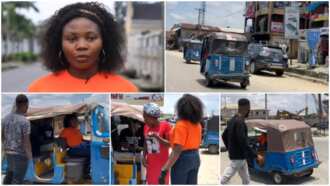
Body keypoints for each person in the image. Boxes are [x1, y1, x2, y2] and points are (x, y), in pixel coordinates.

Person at [28, 2, 138, 92]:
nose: (81, 46)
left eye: (91, 38)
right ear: (59, 44)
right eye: (72, 39)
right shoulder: (38, 89)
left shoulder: (126, 89)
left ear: (105, 42)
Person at [159, 94, 203, 185]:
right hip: (195, 157)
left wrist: (164, 169)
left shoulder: (181, 125)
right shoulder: (197, 125)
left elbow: (177, 150)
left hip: (182, 159)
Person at [220, 98, 262, 185]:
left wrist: (230, 148)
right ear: (245, 108)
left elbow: (224, 135)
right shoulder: (240, 122)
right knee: (224, 180)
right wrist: (256, 155)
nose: (249, 111)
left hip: (241, 157)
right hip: (238, 158)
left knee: (246, 180)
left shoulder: (232, 120)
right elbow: (243, 142)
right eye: (249, 109)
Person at [2, 94, 33, 184]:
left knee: (9, 175)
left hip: (8, 153)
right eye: (27, 106)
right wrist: (30, 158)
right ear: (25, 104)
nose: (27, 108)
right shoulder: (24, 121)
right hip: (20, 155)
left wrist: (5, 149)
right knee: (17, 180)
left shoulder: (5, 119)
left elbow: (2, 136)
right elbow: (26, 142)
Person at [142, 103, 171, 185]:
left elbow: (170, 144)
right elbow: (145, 142)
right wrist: (144, 156)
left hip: (163, 166)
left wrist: (157, 137)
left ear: (152, 117)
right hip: (150, 165)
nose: (144, 120)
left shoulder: (165, 126)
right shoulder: (146, 127)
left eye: (145, 117)